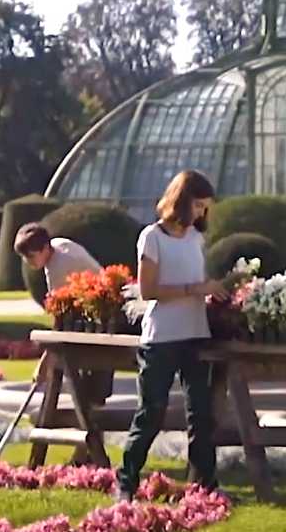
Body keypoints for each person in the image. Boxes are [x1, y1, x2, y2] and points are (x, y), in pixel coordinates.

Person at [116, 170, 228, 502]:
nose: (201, 213)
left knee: (201, 416)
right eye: (197, 205)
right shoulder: (151, 237)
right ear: (180, 201)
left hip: (196, 334)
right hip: (161, 339)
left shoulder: (196, 238)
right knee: (151, 413)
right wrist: (196, 289)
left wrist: (216, 292)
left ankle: (206, 486)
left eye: (205, 207)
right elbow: (148, 290)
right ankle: (126, 482)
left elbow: (196, 283)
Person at [14, 223, 112, 462]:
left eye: (30, 255)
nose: (28, 261)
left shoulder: (59, 266)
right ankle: (83, 456)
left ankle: (86, 456)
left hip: (103, 323)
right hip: (93, 319)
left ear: (44, 248)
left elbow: (60, 317)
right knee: (88, 395)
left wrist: (45, 361)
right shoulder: (59, 246)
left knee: (89, 393)